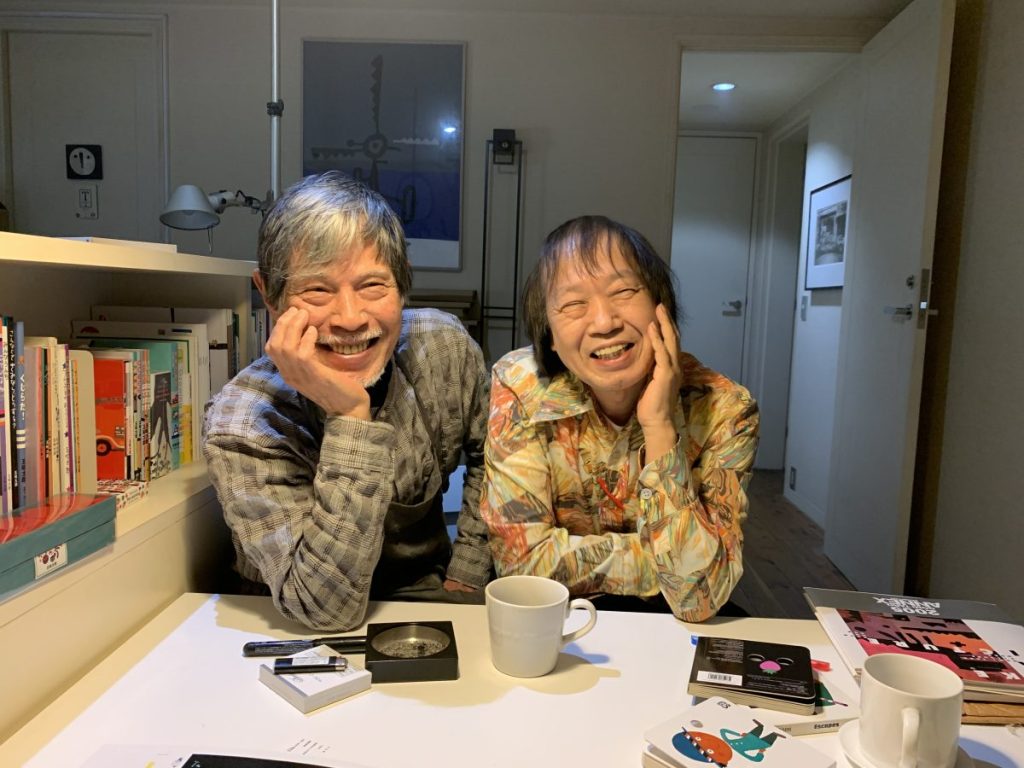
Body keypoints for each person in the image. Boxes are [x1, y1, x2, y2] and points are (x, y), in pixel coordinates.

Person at [203, 171, 491, 631]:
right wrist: (350, 417)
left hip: (427, 593)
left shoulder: (442, 349)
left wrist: (469, 570)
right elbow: (324, 609)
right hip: (291, 618)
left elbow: (491, 455)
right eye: (317, 290)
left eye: (373, 285)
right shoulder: (243, 422)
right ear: (269, 296)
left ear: (402, 284)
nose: (351, 318)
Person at [480, 215, 759, 622]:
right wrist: (665, 562)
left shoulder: (726, 409)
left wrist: (659, 426)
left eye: (624, 291)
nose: (604, 322)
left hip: (672, 622)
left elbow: (698, 594)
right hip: (556, 619)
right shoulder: (521, 387)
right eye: (573, 304)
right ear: (550, 336)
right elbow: (522, 566)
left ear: (662, 308)